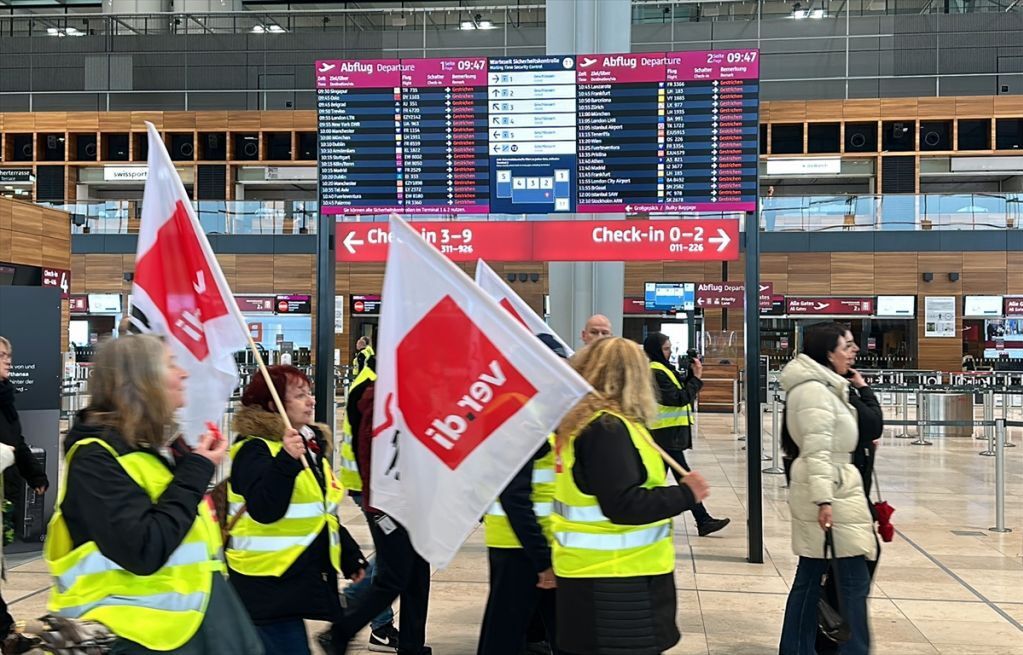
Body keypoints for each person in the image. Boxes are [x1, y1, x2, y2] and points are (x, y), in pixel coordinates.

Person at [44, 334, 264, 654]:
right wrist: (196, 471)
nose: (184, 373)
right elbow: (145, 548)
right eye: (171, 364)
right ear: (140, 381)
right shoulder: (95, 459)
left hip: (187, 633)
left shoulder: (145, 452)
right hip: (140, 638)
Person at [552, 337, 710, 655]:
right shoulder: (607, 429)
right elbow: (622, 504)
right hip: (616, 585)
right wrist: (685, 494)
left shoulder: (591, 422)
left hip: (603, 577)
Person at [225, 365, 368, 655]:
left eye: (310, 393)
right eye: (300, 395)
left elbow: (323, 514)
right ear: (272, 404)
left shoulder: (309, 446)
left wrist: (350, 558)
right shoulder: (254, 449)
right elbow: (266, 508)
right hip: (265, 584)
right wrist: (287, 462)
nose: (311, 400)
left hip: (292, 582)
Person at [778, 323, 877, 655]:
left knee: (811, 579)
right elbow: (818, 448)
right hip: (830, 491)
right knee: (850, 581)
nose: (853, 352)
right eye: (846, 346)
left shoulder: (825, 386)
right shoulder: (815, 391)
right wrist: (824, 500)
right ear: (827, 352)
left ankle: (797, 648)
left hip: (832, 486)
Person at [331, 364, 432, 655]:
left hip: (409, 501)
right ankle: (343, 629)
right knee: (394, 576)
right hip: (386, 502)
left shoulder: (401, 395)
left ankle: (412, 645)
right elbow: (372, 454)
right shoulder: (374, 398)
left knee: (416, 575)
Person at [476, 334, 565, 655]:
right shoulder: (524, 417)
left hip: (534, 542)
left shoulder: (534, 411)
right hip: (521, 546)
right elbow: (516, 496)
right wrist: (543, 559)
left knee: (553, 632)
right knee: (504, 636)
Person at [330, 355, 400, 654]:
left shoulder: (377, 378)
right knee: (392, 560)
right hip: (369, 489)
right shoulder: (370, 385)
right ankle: (372, 618)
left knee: (391, 557)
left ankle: (362, 608)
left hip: (373, 487)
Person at [642, 333, 729, 537]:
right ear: (655, 349)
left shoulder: (664, 368)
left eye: (670, 347)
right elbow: (678, 398)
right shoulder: (655, 371)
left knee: (663, 478)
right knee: (682, 476)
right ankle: (702, 519)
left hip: (668, 433)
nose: (670, 351)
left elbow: (680, 388)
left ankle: (701, 520)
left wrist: (692, 374)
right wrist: (696, 380)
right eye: (665, 348)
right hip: (664, 434)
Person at [0, 336, 44, 654]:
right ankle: (6, 634)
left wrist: (35, 474)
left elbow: (17, 440)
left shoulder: (4, 398)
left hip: (3, 490)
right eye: (2, 355)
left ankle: (5, 634)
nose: (9, 360)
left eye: (9, 355)